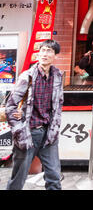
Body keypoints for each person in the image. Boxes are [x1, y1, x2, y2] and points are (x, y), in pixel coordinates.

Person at [5, 39, 64, 190]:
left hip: (49, 134)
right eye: (42, 50)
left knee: (54, 177)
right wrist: (19, 129)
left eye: (49, 51)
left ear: (55, 55)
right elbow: (10, 106)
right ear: (38, 54)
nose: (45, 54)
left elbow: (58, 104)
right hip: (28, 132)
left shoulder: (57, 76)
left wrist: (55, 127)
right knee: (18, 179)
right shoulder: (27, 77)